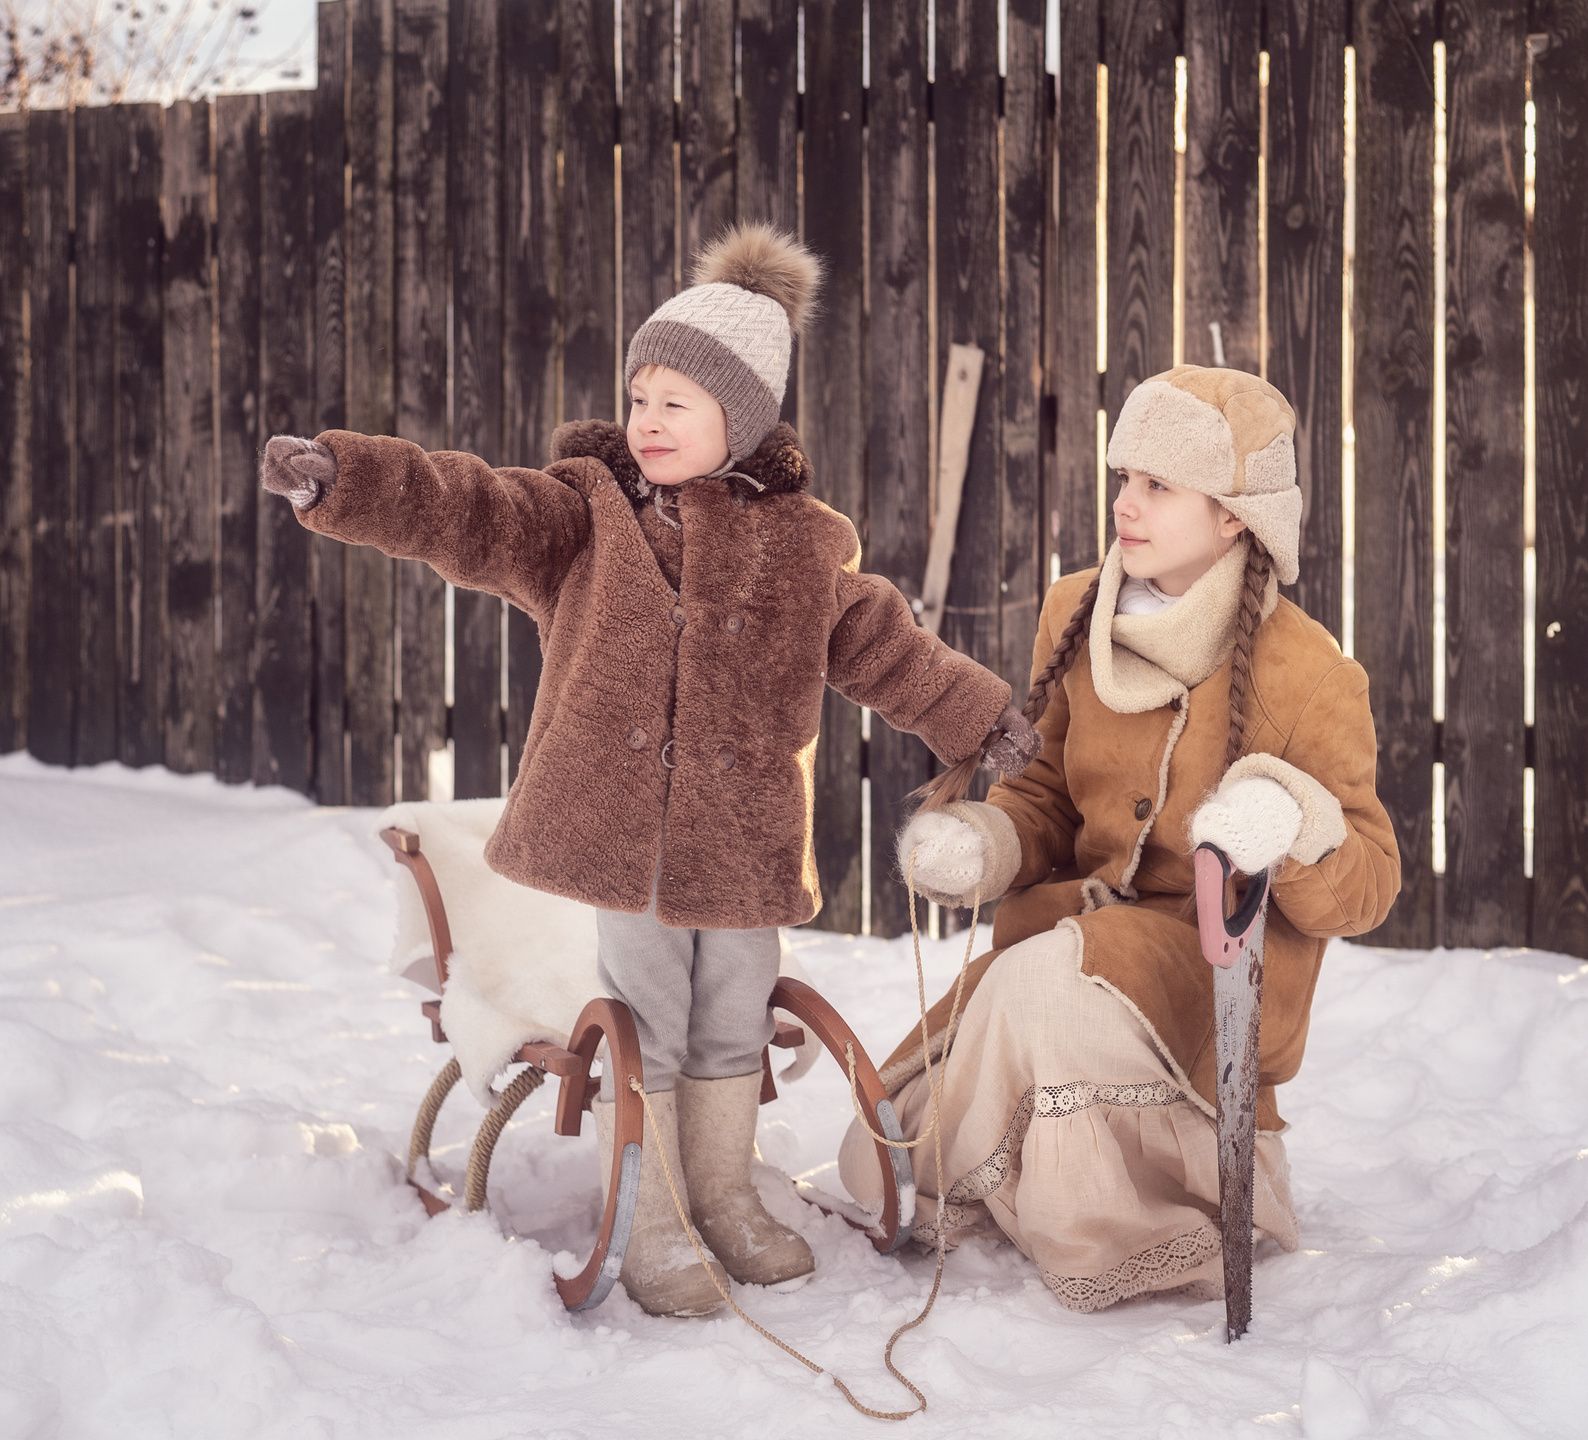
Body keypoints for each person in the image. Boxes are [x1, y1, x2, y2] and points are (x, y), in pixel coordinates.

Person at [261, 224, 1039, 1316]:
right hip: (623, 843)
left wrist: (983, 717)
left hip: (742, 838)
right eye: (640, 396)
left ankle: (724, 1193)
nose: (649, 420)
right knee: (652, 1023)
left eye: (678, 400)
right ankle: (661, 1219)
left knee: (732, 1017)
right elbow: (467, 508)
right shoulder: (583, 519)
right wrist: (348, 480)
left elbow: (886, 649)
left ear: (746, 416)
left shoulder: (805, 548)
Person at [842, 364, 1401, 1312]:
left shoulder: (1311, 675)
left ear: (1234, 517)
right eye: (1122, 478)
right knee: (894, 1132)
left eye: (1158, 485)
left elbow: (1371, 881)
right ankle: (1019, 1178)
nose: (1124, 505)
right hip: (1076, 935)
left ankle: (1133, 1219)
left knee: (1045, 988)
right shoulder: (1076, 611)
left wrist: (1292, 822)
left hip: (1203, 974)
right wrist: (990, 843)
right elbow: (1052, 791)